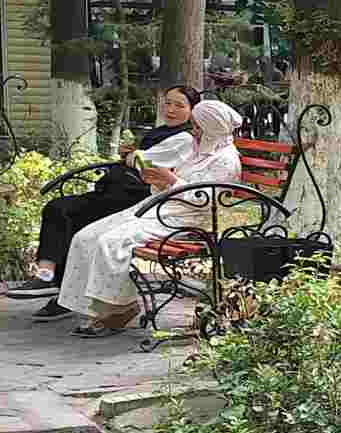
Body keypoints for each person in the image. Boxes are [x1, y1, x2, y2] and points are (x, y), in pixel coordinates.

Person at [6, 85, 201, 323]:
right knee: (61, 210)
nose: (170, 109)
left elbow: (144, 163)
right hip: (116, 190)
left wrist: (133, 155)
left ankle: (54, 284)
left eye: (179, 105)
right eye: (168, 102)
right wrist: (131, 157)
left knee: (64, 212)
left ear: (192, 111)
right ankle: (52, 281)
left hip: (135, 197)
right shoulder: (162, 132)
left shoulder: (184, 138)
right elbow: (136, 159)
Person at [54, 99, 246, 337]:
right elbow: (178, 182)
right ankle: (92, 308)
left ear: (211, 128)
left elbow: (206, 200)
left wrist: (171, 181)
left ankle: (116, 309)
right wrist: (158, 181)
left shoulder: (226, 160)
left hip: (187, 219)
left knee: (111, 242)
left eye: (197, 127)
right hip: (161, 207)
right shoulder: (199, 150)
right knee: (86, 236)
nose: (193, 131)